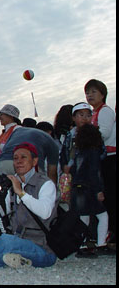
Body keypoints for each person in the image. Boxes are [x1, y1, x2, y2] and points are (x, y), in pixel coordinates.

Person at [0, 142, 58, 269]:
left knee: (5, 241)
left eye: (23, 157)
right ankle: (10, 258)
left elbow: (45, 212)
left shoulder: (45, 184)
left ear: (34, 161)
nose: (19, 161)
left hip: (41, 247)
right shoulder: (13, 182)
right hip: (16, 239)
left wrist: (21, 193)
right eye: (15, 158)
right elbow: (3, 212)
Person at [59, 103, 111, 257]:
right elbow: (96, 165)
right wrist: (99, 189)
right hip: (89, 184)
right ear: (74, 117)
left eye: (88, 115)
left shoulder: (71, 136)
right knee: (101, 215)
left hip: (77, 183)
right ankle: (100, 244)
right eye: (81, 115)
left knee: (83, 216)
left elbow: (63, 157)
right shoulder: (92, 139)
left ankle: (81, 246)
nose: (85, 118)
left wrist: (66, 167)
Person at [84, 79, 116, 247]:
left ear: (102, 94)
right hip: (102, 158)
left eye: (93, 92)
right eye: (87, 92)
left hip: (111, 158)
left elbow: (104, 132)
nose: (90, 95)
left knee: (110, 196)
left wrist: (86, 137)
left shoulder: (105, 111)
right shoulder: (94, 112)